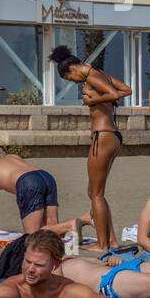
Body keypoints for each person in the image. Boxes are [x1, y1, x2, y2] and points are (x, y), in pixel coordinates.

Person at [50, 45, 131, 253]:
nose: (73, 82)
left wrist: (92, 100)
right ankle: (111, 240)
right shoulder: (101, 74)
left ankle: (103, 244)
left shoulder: (92, 77)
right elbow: (126, 90)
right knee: (94, 192)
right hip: (112, 136)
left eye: (70, 79)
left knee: (96, 194)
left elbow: (113, 94)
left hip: (102, 136)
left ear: (73, 69)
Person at [0, 151, 90, 239]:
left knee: (33, 236)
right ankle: (85, 218)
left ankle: (71, 224)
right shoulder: (10, 157)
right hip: (46, 177)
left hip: (28, 182)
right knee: (54, 231)